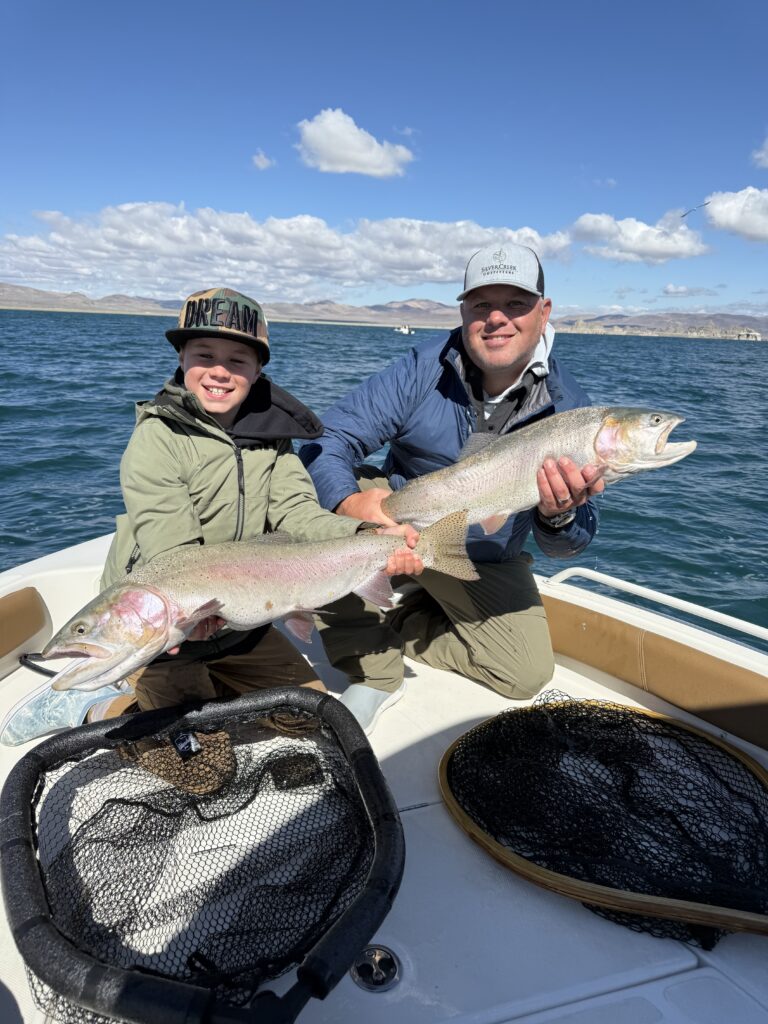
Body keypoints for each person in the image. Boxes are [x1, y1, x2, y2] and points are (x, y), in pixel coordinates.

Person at [300, 242, 605, 733]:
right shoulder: (423, 368)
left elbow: (570, 543)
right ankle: (372, 662)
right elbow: (328, 439)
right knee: (314, 513)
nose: (497, 319)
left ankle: (406, 620)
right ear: (463, 311)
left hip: (484, 557)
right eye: (482, 305)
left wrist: (559, 515)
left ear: (544, 313)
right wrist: (349, 501)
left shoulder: (572, 411)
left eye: (516, 304)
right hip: (401, 527)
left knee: (525, 674)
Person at [89, 286, 422, 715]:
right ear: (181, 359)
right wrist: (188, 618)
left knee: (309, 723)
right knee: (202, 771)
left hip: (242, 626)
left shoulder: (273, 437)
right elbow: (175, 557)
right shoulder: (156, 438)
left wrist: (368, 535)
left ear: (257, 370)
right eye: (204, 355)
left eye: (237, 360)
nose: (219, 372)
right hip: (164, 631)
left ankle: (220, 689)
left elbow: (297, 512)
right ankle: (109, 707)